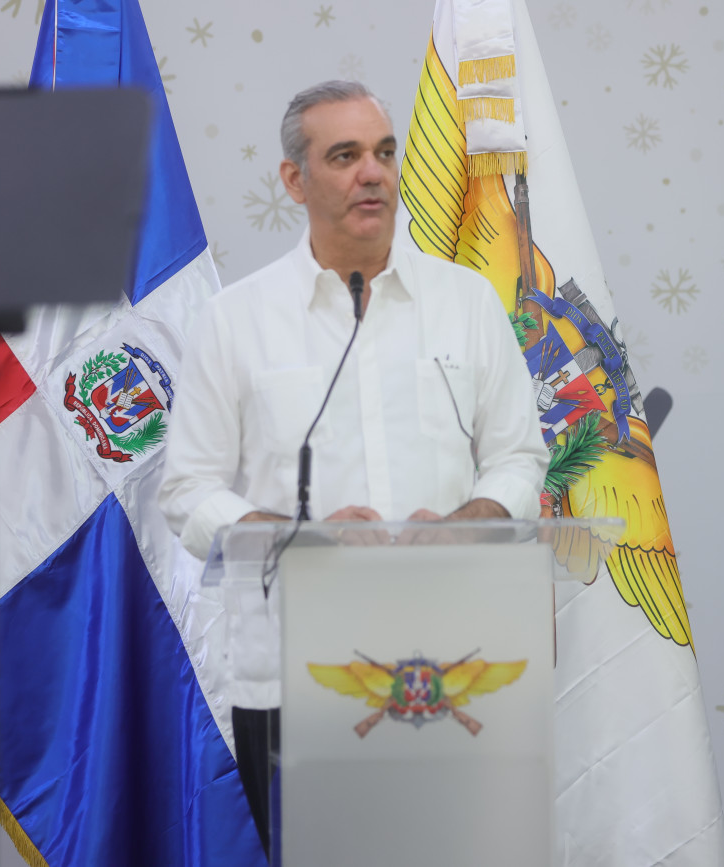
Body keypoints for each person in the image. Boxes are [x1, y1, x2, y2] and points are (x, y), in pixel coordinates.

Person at [157, 79, 548, 857]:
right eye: (344, 156)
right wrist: (299, 538)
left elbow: (518, 457)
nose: (373, 173)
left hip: (453, 666)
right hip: (296, 673)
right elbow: (187, 491)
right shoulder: (236, 321)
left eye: (383, 152)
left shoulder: (466, 301)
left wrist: (468, 524)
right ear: (294, 179)